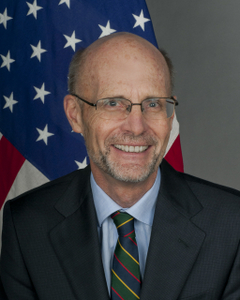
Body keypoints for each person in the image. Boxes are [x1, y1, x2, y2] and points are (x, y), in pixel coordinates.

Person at [1, 32, 240, 300]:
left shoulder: (232, 224)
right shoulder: (26, 224)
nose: (137, 127)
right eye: (113, 103)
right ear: (75, 115)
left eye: (153, 104)